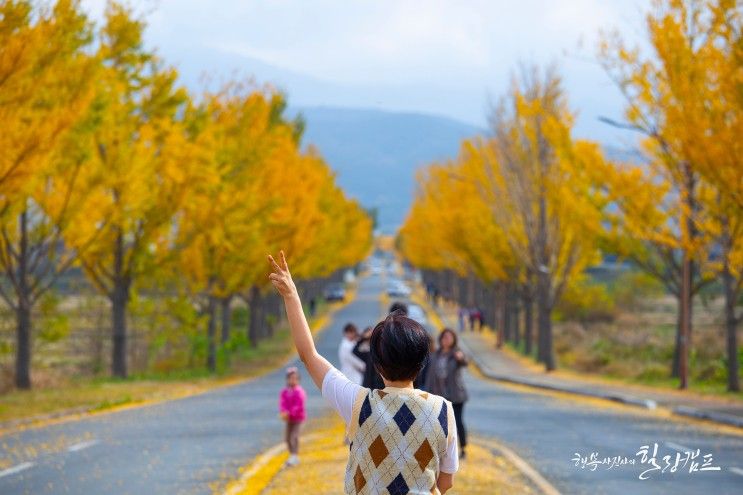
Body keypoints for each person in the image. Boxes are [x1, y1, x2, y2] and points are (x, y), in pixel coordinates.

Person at [268, 251, 458, 494]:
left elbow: (308, 354)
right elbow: (447, 481)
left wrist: (291, 295)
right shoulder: (443, 410)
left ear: (377, 364)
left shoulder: (359, 404)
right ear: (422, 363)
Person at [426, 328, 469, 460]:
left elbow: (464, 362)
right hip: (438, 395)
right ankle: (442, 449)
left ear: (454, 340)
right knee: (439, 423)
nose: (447, 340)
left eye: (450, 337)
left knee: (457, 421)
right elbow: (430, 375)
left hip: (456, 395)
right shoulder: (435, 355)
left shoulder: (456, 354)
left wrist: (460, 359)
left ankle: (462, 448)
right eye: (445, 337)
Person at [279, 366, 306, 466]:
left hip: (298, 418)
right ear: (287, 379)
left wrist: (290, 413)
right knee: (287, 437)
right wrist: (284, 411)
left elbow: (298, 405)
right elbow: (282, 403)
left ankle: (295, 455)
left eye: (295, 378)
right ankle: (292, 455)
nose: (293, 380)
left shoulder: (299, 392)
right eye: (291, 378)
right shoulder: (285, 392)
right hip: (289, 419)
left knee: (294, 436)